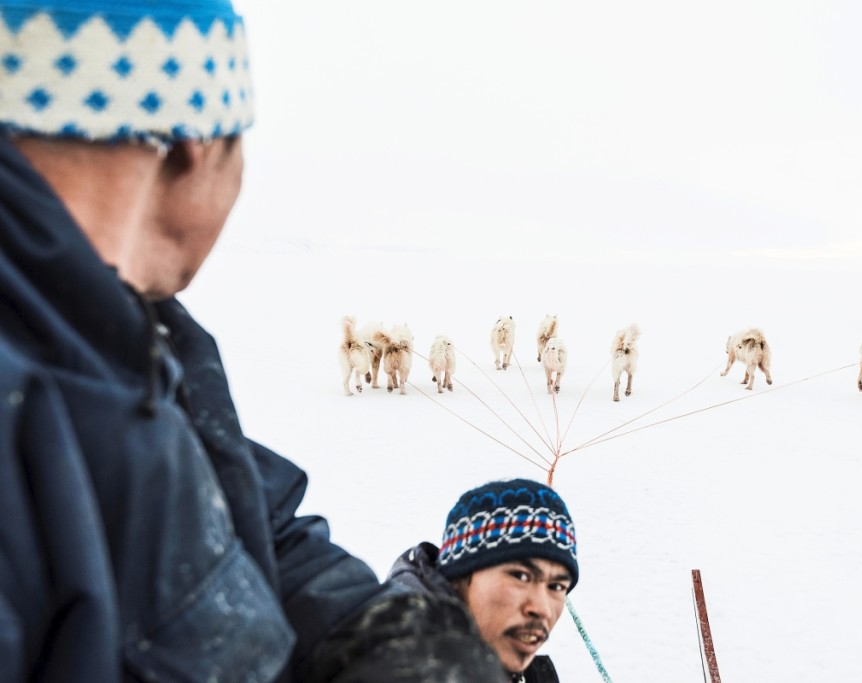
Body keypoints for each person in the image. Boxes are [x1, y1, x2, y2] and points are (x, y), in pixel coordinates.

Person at [0, 1, 503, 681]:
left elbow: (247, 524)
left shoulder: (139, 344)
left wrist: (383, 636)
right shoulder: (41, 385)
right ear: (193, 147)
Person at [388, 478, 580, 683]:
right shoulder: (384, 666)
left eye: (556, 586)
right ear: (458, 578)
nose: (542, 609)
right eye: (521, 576)